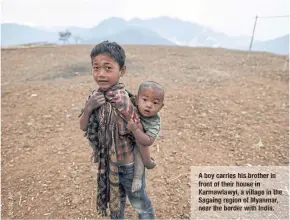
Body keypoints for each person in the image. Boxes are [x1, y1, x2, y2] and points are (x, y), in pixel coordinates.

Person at [79, 40, 155, 219]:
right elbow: (83, 126)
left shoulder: (125, 102)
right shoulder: (95, 98)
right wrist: (89, 108)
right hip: (108, 165)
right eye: (96, 68)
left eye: (108, 68)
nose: (101, 74)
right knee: (116, 205)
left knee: (140, 202)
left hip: (128, 167)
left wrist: (146, 163)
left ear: (122, 71)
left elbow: (140, 138)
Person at [127, 81, 164, 193]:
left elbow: (148, 141)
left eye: (155, 102)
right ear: (137, 98)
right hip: (124, 138)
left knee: (139, 155)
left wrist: (135, 130)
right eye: (145, 99)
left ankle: (137, 178)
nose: (149, 105)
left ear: (161, 107)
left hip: (139, 141)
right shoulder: (130, 102)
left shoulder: (155, 122)